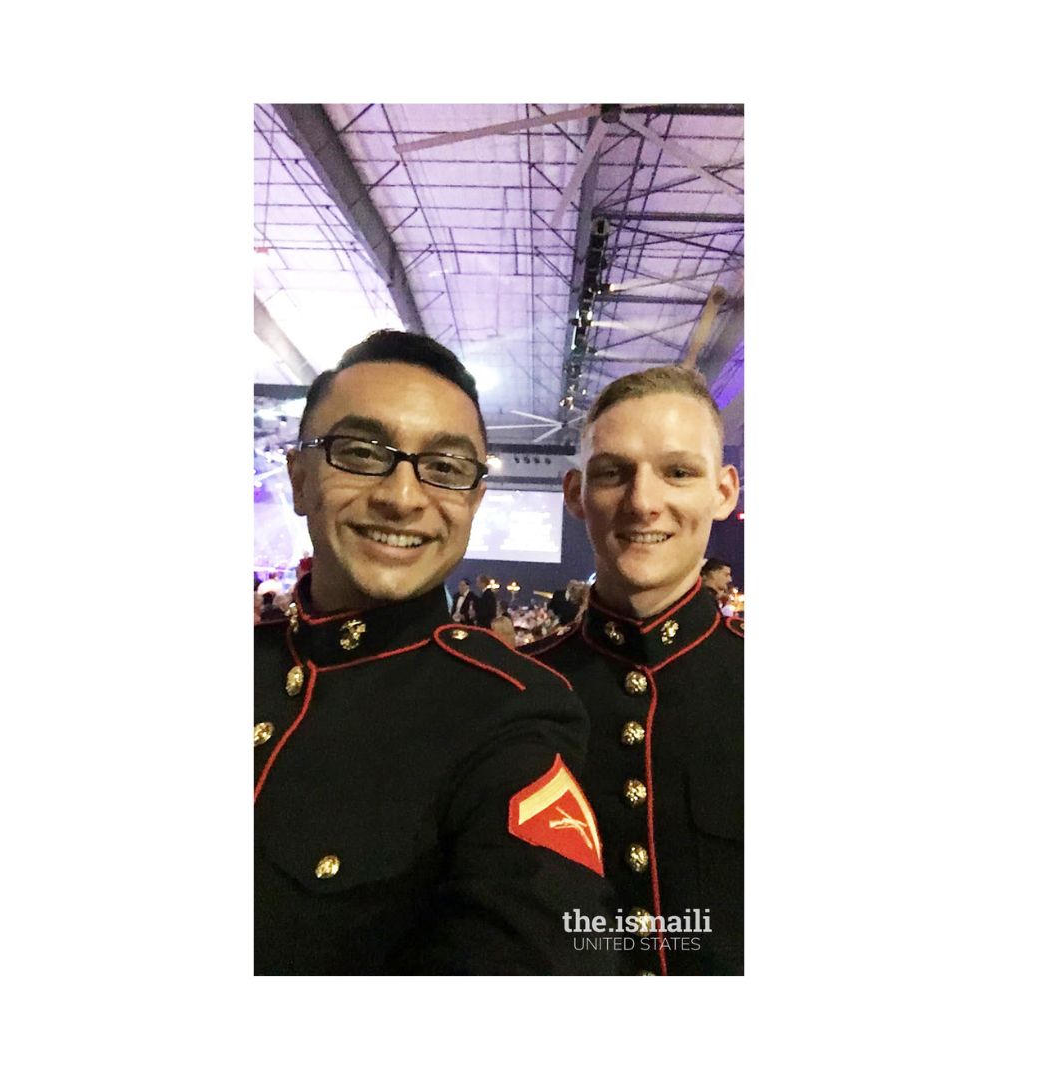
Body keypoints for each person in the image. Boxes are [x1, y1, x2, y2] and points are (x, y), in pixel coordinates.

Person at [255, 329, 614, 976]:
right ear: (300, 478)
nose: (402, 495)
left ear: (474, 501)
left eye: (446, 468)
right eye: (361, 452)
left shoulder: (510, 714)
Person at [523, 365, 743, 975]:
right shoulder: (514, 696)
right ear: (574, 493)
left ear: (724, 492)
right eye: (614, 472)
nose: (644, 502)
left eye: (678, 472)